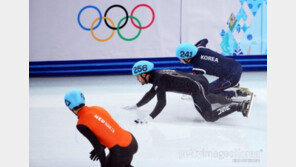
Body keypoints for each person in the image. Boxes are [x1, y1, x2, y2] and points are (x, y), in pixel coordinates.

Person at [124, 61, 254, 124]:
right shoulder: (157, 76)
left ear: (145, 74)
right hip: (199, 81)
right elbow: (151, 93)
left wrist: (149, 118)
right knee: (208, 97)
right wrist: (136, 106)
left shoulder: (159, 79)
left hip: (196, 88)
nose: (137, 79)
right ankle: (234, 98)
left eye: (138, 76)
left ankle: (240, 106)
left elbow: (161, 102)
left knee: (209, 117)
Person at [64, 89, 138, 167]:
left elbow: (99, 149)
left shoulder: (81, 124)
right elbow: (109, 130)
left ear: (69, 107)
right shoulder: (97, 108)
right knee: (122, 163)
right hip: (131, 141)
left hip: (120, 150)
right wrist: (102, 146)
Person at [175, 39, 251, 98]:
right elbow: (204, 40)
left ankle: (236, 93)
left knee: (206, 93)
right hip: (235, 65)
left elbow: (196, 83)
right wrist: (193, 47)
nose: (180, 60)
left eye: (180, 58)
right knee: (215, 82)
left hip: (232, 77)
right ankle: (232, 84)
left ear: (187, 58)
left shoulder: (198, 66)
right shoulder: (200, 48)